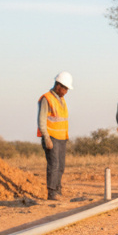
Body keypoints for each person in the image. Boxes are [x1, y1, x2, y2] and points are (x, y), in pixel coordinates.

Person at [36, 72, 72, 201]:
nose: (66, 92)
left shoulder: (61, 99)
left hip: (62, 138)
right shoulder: (47, 98)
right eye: (65, 88)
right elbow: (41, 120)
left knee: (61, 165)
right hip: (51, 138)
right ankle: (52, 192)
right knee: (54, 165)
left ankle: (57, 189)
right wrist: (46, 137)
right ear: (58, 85)